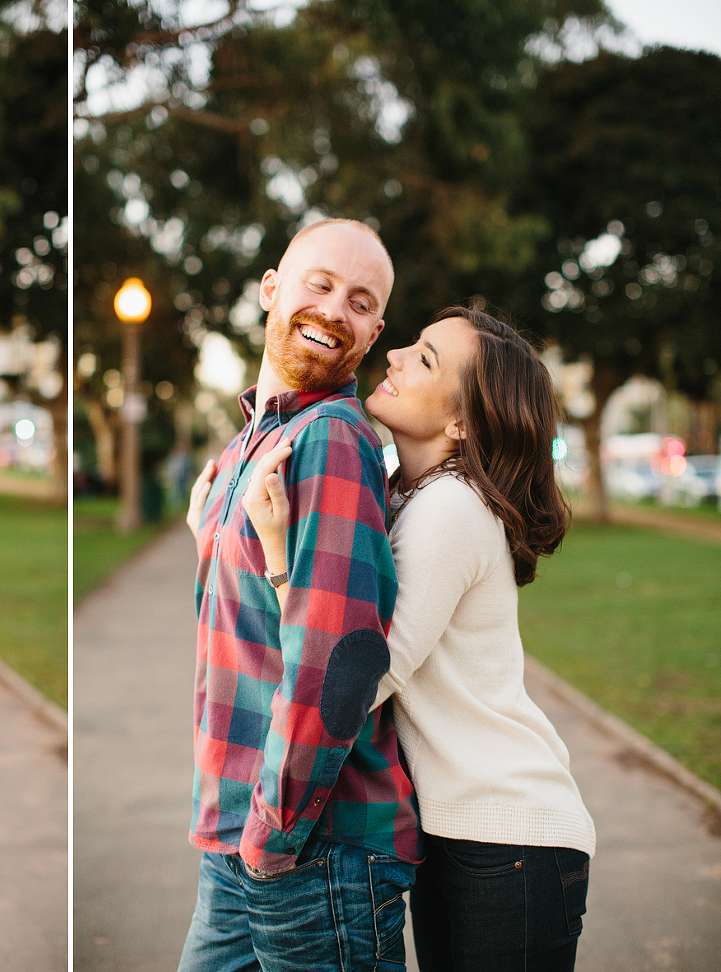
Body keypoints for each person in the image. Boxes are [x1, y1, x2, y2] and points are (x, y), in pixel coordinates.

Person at [241, 303, 594, 972]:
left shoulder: (450, 508)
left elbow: (360, 680)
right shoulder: (400, 486)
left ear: (462, 423)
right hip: (457, 832)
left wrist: (278, 554)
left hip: (506, 834)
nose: (396, 355)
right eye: (412, 345)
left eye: (425, 359)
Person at [180, 218, 417, 971]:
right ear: (271, 289)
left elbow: (336, 661)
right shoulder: (249, 440)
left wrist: (270, 838)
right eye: (318, 285)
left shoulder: (330, 439)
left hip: (311, 848)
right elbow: (249, 629)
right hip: (238, 839)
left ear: (373, 331)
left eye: (358, 301)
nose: (333, 310)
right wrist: (206, 542)